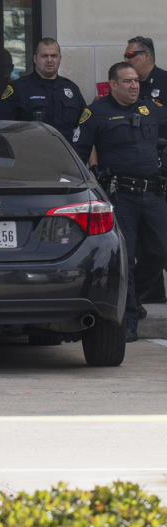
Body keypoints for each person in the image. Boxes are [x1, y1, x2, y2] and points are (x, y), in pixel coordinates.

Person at [72, 60, 167, 340]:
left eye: (136, 80)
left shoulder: (151, 109)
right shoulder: (96, 113)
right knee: (126, 259)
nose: (134, 85)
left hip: (152, 194)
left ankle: (136, 298)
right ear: (112, 84)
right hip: (120, 195)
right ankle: (128, 321)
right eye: (127, 81)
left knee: (160, 251)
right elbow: (78, 151)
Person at [122, 37, 167, 306]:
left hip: (162, 169)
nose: (127, 58)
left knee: (160, 243)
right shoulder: (128, 89)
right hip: (138, 174)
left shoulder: (164, 82)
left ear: (147, 56)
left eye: (131, 54)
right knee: (142, 243)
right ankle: (149, 295)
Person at [0, 37, 85, 142]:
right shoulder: (18, 89)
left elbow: (85, 128)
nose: (49, 60)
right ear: (35, 59)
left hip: (65, 155)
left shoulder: (72, 89)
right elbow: (1, 128)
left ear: (60, 58)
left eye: (54, 56)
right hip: (30, 154)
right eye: (44, 56)